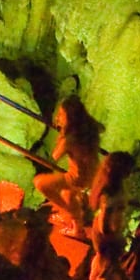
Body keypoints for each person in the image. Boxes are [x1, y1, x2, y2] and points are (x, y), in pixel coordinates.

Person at [33, 97, 103, 234]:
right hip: (95, 173)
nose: (58, 118)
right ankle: (77, 229)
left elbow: (54, 158)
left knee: (40, 183)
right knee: (68, 194)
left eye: (61, 115)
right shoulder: (91, 129)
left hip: (78, 177)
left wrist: (61, 135)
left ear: (69, 117)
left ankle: (69, 213)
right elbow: (102, 128)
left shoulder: (69, 139)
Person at [86, 152, 136, 280]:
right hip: (108, 236)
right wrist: (113, 237)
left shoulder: (108, 186)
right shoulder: (112, 192)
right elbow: (105, 219)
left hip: (106, 234)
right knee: (104, 269)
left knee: (102, 266)